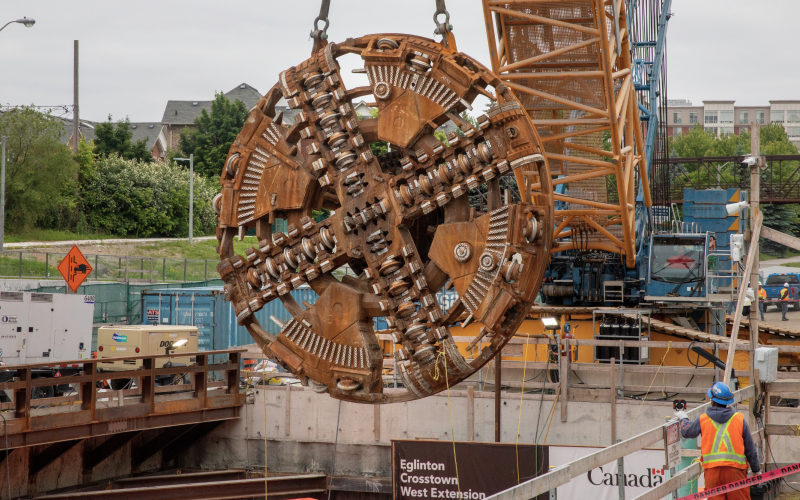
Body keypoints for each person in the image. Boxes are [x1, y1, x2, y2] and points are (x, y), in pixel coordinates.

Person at [675, 382, 760, 499]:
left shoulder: (703, 419)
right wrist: (756, 470)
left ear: (712, 399)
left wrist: (683, 418)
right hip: (735, 472)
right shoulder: (739, 420)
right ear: (728, 402)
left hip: (713, 473)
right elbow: (750, 450)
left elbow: (686, 432)